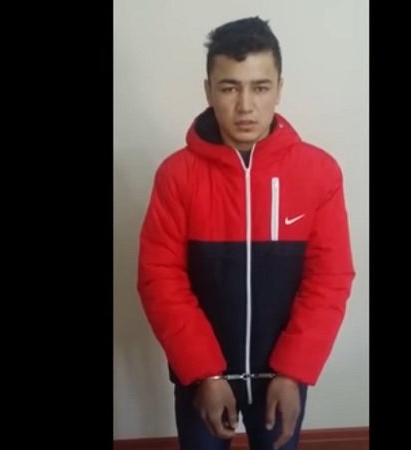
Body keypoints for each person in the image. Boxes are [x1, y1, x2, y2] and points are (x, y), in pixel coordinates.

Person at [138, 16, 355, 450]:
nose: (245, 106)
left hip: (283, 379)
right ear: (208, 91)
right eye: (229, 88)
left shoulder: (319, 173)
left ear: (279, 88)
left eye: (260, 87)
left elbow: (330, 278)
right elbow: (159, 279)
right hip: (202, 379)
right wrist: (205, 373)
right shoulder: (176, 176)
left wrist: (294, 371)